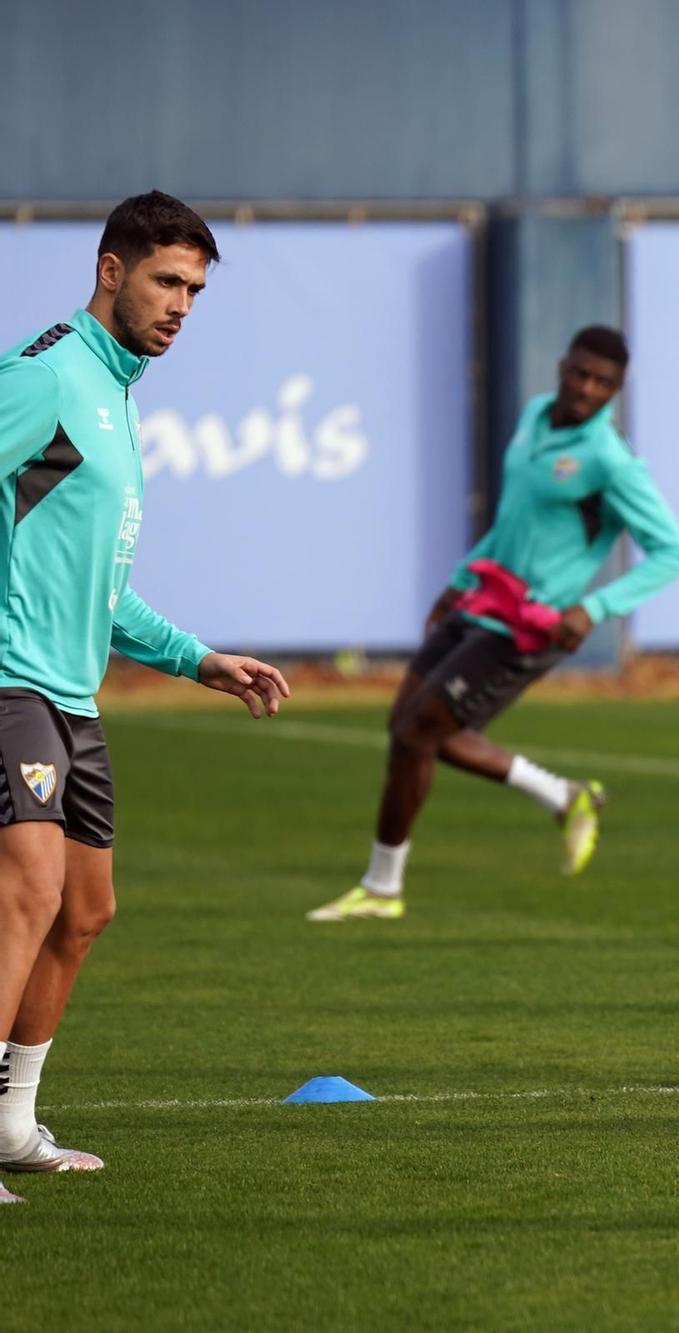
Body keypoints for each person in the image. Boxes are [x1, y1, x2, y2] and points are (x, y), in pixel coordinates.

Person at [0, 192, 292, 1201]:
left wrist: (200, 659)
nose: (181, 305)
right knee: (28, 891)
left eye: (196, 290)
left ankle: (10, 1124)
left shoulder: (115, 395)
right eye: (168, 281)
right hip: (10, 683)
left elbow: (98, 589)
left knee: (84, 909)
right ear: (110, 270)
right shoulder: (47, 375)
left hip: (69, 693)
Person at [307, 327, 679, 922]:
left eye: (602, 383)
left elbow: (672, 551)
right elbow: (513, 521)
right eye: (580, 373)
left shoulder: (610, 460)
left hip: (531, 624)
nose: (587, 388)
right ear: (562, 367)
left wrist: (595, 607)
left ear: (616, 390)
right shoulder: (536, 415)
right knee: (407, 727)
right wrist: (460, 579)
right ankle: (555, 801)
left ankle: (386, 887)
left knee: (418, 732)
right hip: (483, 598)